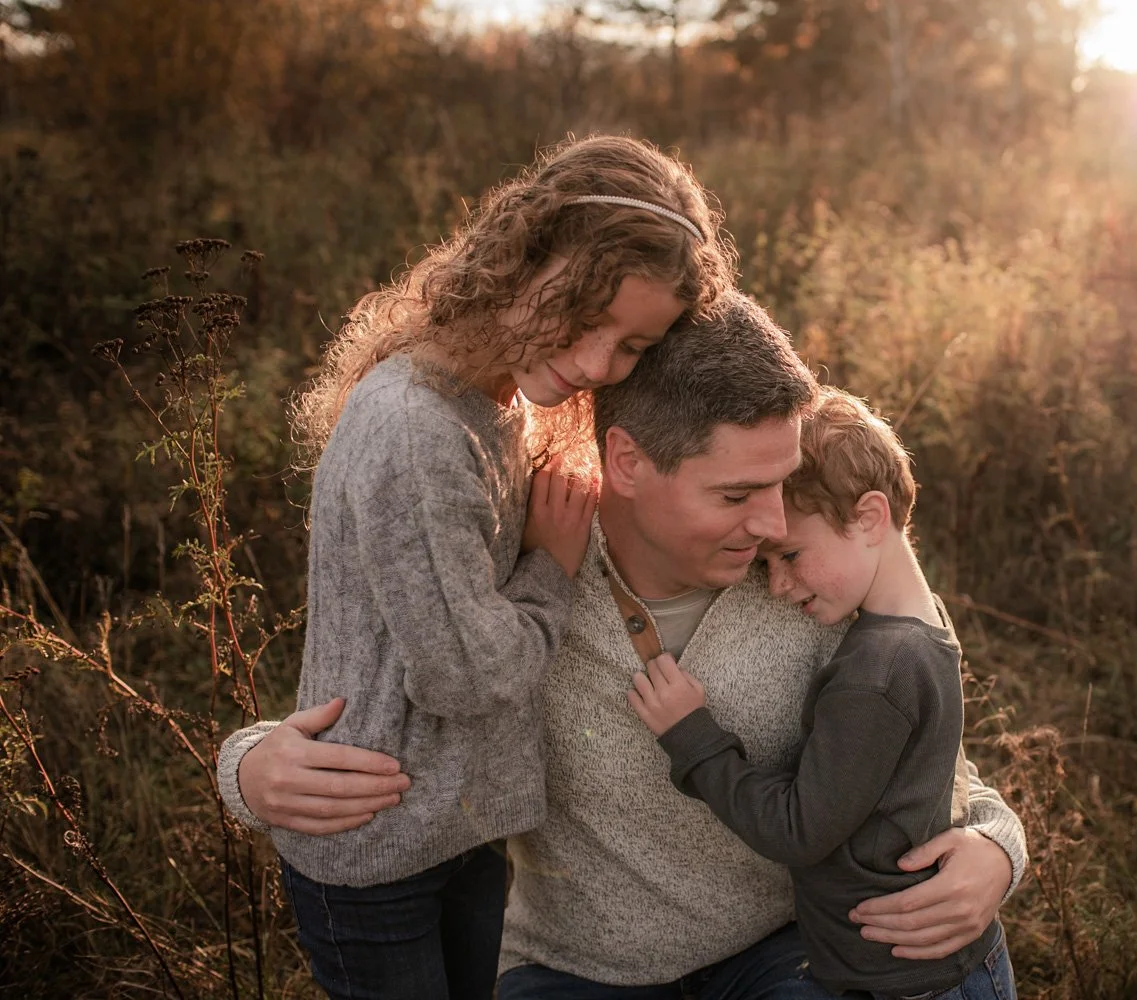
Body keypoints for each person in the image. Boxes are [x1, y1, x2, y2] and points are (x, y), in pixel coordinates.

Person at [218, 293, 1026, 1000]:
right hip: (574, 969)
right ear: (628, 462)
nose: (774, 520)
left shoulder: (803, 574)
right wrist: (251, 767)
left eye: (780, 485)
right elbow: (388, 684)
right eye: (738, 493)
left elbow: (912, 737)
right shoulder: (530, 564)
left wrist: (997, 843)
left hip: (789, 951)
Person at [215, 134, 736, 1000]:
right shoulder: (420, 432)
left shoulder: (500, 405)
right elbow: (466, 675)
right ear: (521, 261)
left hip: (454, 828)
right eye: (585, 314)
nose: (599, 365)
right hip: (378, 848)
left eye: (635, 346)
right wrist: (549, 569)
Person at [627, 385, 1017, 999]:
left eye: (789, 555)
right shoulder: (922, 626)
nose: (778, 585)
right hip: (922, 970)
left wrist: (693, 738)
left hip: (912, 983)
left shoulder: (876, 668)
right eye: (764, 565)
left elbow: (798, 830)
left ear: (868, 517)